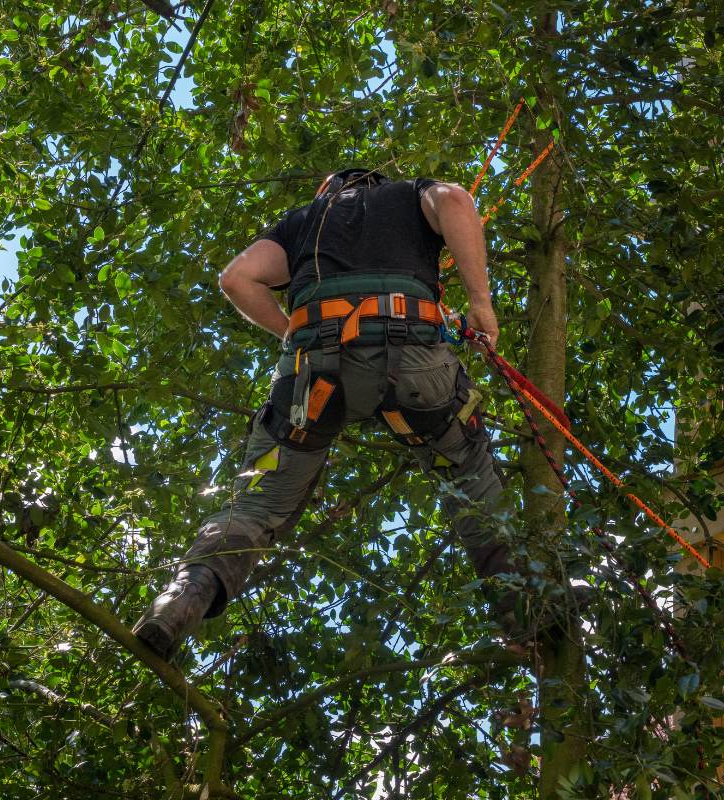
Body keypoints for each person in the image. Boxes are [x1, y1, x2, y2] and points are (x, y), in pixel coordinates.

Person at [131, 168, 519, 660]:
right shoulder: (409, 195)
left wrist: (299, 335)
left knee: (255, 505)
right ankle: (526, 611)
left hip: (312, 374)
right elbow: (458, 202)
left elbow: (236, 279)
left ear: (328, 192)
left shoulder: (302, 222)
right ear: (375, 184)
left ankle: (181, 598)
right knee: (469, 474)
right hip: (415, 362)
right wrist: (481, 305)